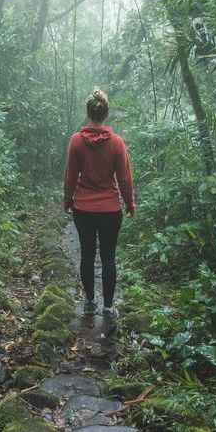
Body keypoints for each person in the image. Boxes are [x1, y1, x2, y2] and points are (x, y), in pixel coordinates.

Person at [63, 87, 135, 319]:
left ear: (88, 112)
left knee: (86, 255)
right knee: (108, 257)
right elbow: (124, 178)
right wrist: (130, 203)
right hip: (110, 211)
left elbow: (70, 176)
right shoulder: (116, 142)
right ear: (106, 113)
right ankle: (108, 307)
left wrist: (68, 200)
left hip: (83, 209)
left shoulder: (76, 141)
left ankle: (91, 302)